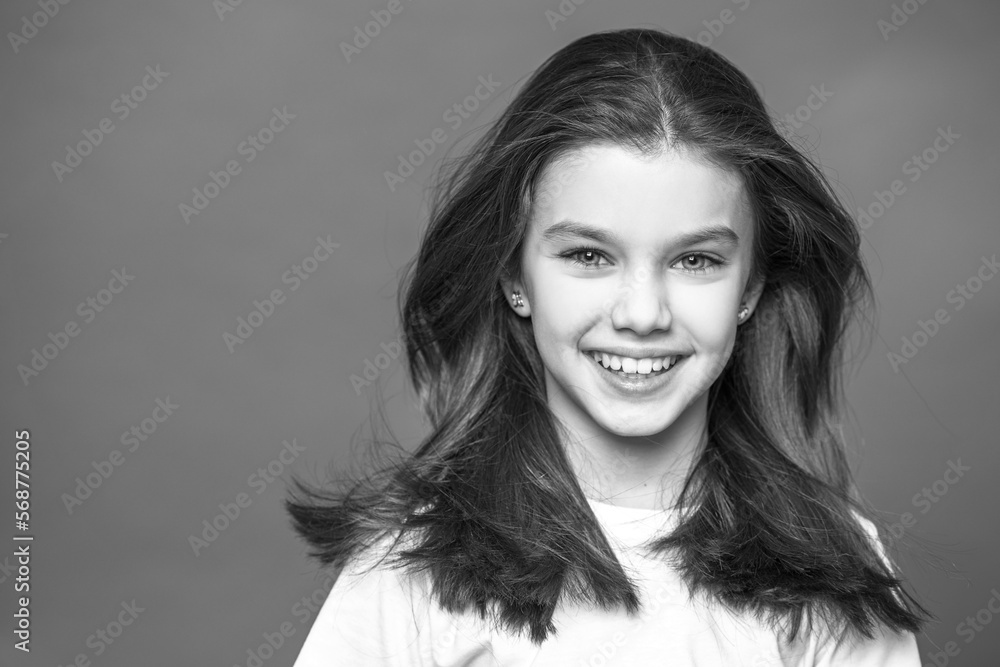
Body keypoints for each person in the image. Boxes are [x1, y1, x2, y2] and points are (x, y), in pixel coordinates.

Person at [286, 27, 929, 665]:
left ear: (750, 287)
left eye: (697, 259)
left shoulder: (833, 573)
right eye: (589, 255)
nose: (643, 314)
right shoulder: (406, 571)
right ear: (514, 275)